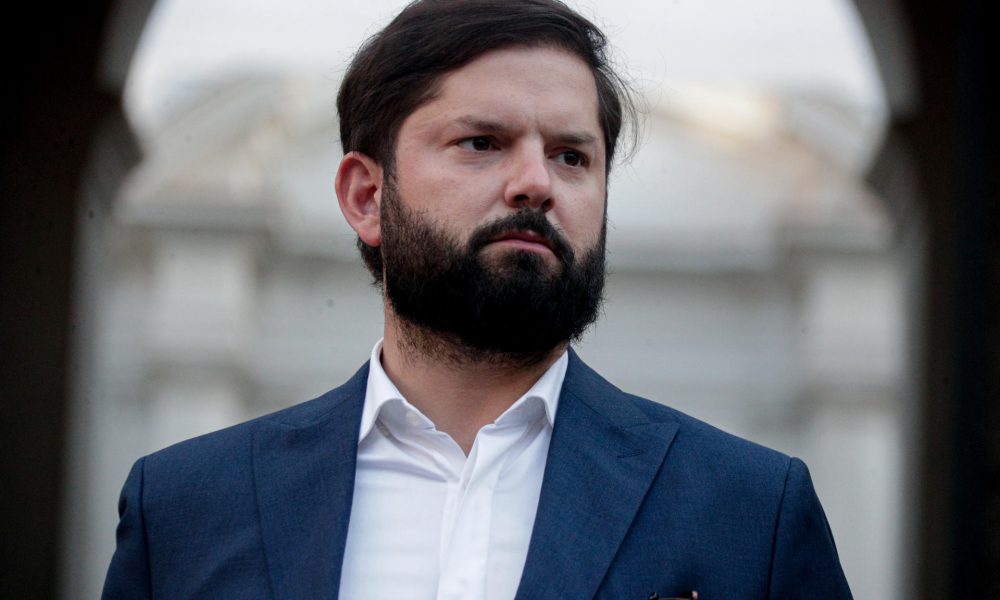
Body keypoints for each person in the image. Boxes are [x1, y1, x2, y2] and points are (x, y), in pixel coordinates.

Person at [102, 1, 853, 598]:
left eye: (571, 155)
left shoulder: (748, 513)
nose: (537, 183)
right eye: (482, 142)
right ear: (366, 196)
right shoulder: (187, 509)